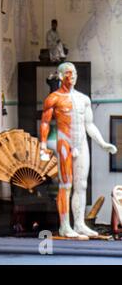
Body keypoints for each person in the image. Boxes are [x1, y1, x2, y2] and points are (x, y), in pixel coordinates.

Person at [40, 62, 118, 239]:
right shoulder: (54, 98)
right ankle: (65, 225)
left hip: (81, 143)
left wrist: (102, 143)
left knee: (81, 186)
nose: (72, 76)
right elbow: (45, 122)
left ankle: (79, 224)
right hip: (65, 143)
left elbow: (89, 125)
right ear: (61, 77)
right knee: (65, 186)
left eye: (74, 73)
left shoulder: (84, 99)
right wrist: (43, 146)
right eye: (68, 73)